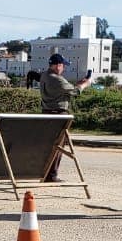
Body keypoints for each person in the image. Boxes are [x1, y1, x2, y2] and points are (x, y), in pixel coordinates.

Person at [39, 53, 92, 182]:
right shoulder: (57, 79)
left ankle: (46, 173)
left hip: (46, 112)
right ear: (58, 65)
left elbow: (66, 89)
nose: (63, 68)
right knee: (58, 146)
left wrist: (77, 84)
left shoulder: (45, 75)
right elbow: (75, 92)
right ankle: (52, 175)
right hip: (58, 114)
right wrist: (85, 84)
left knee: (50, 146)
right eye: (63, 66)